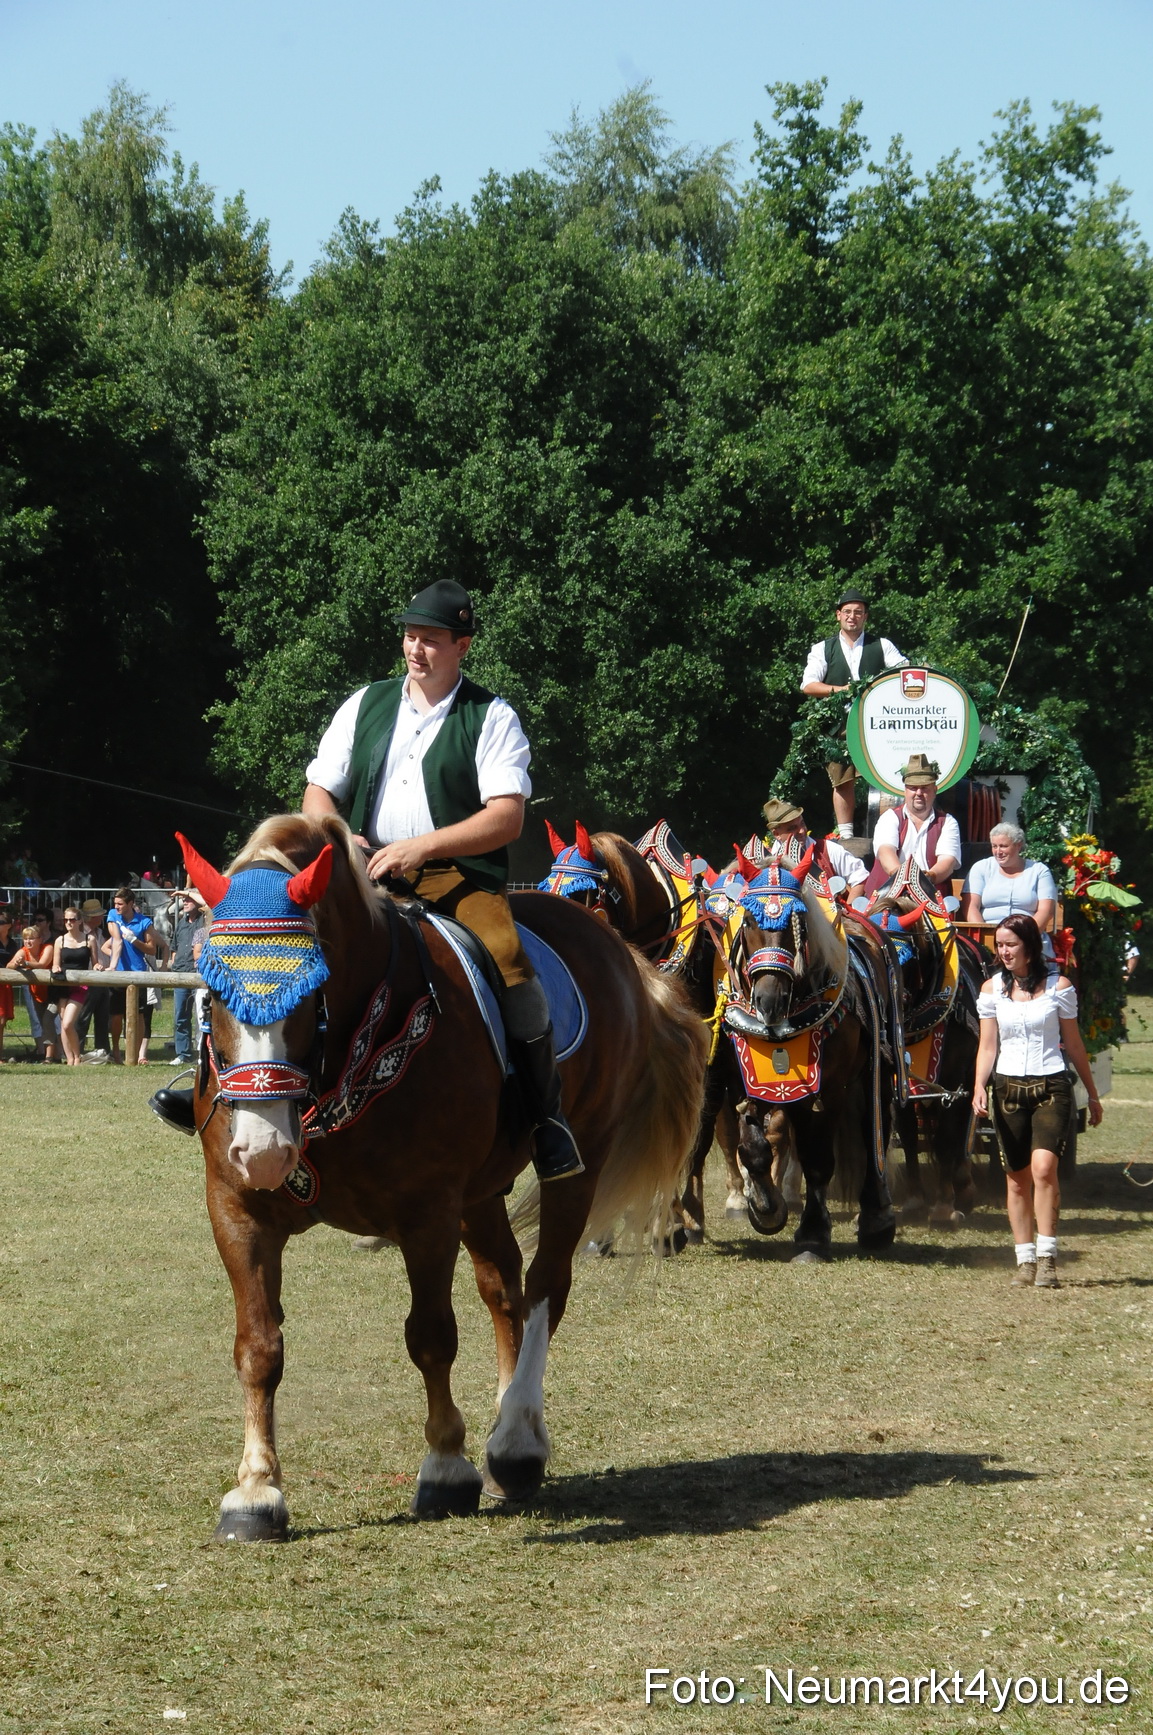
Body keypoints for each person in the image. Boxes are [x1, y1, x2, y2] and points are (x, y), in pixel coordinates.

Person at [301, 578, 581, 1181]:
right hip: (363, 873)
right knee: (281, 938)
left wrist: (420, 847)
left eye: (430, 639)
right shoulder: (364, 704)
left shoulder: (491, 716)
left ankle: (546, 1118)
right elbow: (319, 791)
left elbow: (507, 817)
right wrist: (333, 832)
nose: (415, 649)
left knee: (508, 958)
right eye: (409, 636)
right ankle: (236, 1091)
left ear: (463, 645)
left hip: (458, 880)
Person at [973, 913, 1101, 1289]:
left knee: (1043, 1169)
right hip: (1008, 1089)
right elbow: (987, 1045)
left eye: (1011, 944)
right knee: (1016, 1180)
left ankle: (1047, 1258)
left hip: (1051, 1085)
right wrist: (980, 1085)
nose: (1004, 951)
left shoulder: (1059, 987)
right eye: (999, 945)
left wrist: (1091, 1094)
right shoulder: (990, 990)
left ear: (1029, 946)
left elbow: (1074, 1044)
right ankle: (1024, 1260)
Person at [800, 589, 907, 837]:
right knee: (842, 780)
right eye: (847, 612)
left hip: (879, 723)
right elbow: (808, 685)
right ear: (838, 615)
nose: (852, 617)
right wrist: (842, 690)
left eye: (858, 612)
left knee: (885, 779)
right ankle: (847, 835)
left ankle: (888, 834)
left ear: (865, 617)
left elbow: (904, 672)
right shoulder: (823, 649)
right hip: (839, 724)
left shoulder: (882, 645)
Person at [872, 754, 961, 889]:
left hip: (930, 897)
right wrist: (904, 879)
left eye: (925, 787)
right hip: (889, 897)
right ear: (905, 791)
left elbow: (947, 861)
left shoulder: (947, 822)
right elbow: (886, 852)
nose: (918, 792)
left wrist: (928, 878)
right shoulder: (889, 818)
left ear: (935, 790)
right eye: (913, 788)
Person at [962, 824, 1057, 947]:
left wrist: (1025, 938)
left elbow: (1046, 911)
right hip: (987, 936)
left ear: (1018, 845)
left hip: (1029, 937)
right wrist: (986, 940)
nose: (998, 852)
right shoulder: (981, 868)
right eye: (994, 846)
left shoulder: (1039, 871)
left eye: (1003, 846)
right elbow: (970, 907)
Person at [763, 797, 867, 892]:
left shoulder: (828, 849)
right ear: (776, 834)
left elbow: (860, 877)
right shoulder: (767, 867)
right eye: (793, 828)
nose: (802, 831)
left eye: (802, 823)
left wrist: (849, 910)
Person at [106, 886, 156, 1064]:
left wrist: (135, 941)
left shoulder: (144, 922)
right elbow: (116, 942)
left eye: (120, 903)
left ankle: (134, 1054)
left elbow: (152, 948)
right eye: (116, 903)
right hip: (119, 973)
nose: (117, 906)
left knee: (138, 1016)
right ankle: (116, 1052)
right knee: (117, 1015)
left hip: (138, 973)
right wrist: (112, 966)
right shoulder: (113, 915)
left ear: (130, 903)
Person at [51, 907, 98, 1064]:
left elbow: (96, 962)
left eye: (72, 919)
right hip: (62, 985)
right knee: (64, 1024)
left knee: (68, 1022)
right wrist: (55, 968)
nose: (68, 923)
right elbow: (55, 964)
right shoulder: (60, 940)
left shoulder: (89, 939)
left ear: (79, 921)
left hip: (80, 985)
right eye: (66, 920)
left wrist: (98, 966)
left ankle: (77, 1056)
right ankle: (70, 1058)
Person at [170, 890, 209, 1063]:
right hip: (181, 973)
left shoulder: (205, 920)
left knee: (202, 1015)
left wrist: (188, 891)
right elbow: (174, 947)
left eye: (188, 900)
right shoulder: (181, 923)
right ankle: (183, 1054)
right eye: (183, 900)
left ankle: (203, 1052)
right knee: (181, 1016)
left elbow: (209, 904)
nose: (184, 902)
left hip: (199, 975)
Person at [10, 924, 58, 1061]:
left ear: (40, 939)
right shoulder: (23, 951)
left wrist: (25, 963)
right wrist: (16, 963)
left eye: (32, 938)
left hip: (54, 993)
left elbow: (42, 964)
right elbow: (9, 965)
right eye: (25, 939)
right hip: (36, 995)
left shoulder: (48, 948)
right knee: (44, 1024)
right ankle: (54, 1055)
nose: (28, 942)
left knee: (48, 1021)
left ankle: (49, 1057)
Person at [76, 898, 112, 1062]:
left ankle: (103, 1050)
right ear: (91, 917)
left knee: (103, 1017)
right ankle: (77, 1050)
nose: (102, 918)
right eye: (99, 915)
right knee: (83, 1017)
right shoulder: (80, 935)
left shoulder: (100, 933)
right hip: (87, 980)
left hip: (103, 979)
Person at [0, 907, 17, 1061]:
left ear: (9, 925)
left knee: (2, 1020)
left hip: (6, 985)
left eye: (1, 922)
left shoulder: (12, 944)